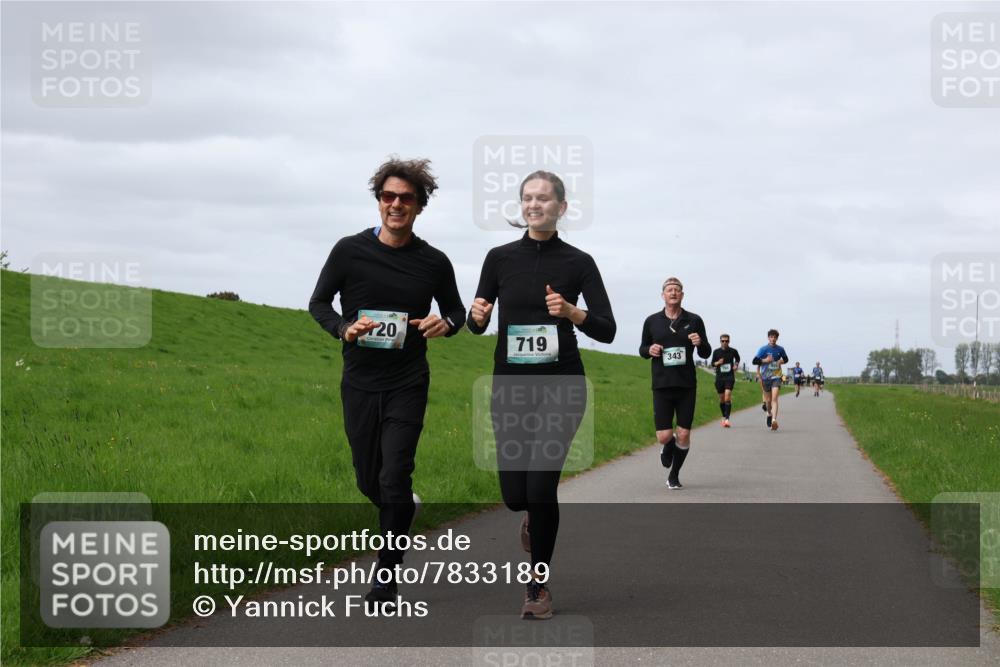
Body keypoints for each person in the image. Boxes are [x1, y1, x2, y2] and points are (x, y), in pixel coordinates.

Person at [309, 157, 466, 608]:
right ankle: (401, 508)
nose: (396, 204)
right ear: (379, 201)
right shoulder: (348, 250)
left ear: (420, 206)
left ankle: (386, 578)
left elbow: (454, 312)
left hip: (408, 380)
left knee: (395, 474)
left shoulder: (433, 261)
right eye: (388, 196)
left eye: (406, 198)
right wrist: (343, 328)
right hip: (359, 381)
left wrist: (446, 325)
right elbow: (318, 302)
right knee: (368, 480)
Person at [468, 170, 615, 620]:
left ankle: (537, 585)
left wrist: (571, 311)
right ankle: (531, 514)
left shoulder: (578, 262)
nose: (535, 205)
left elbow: (608, 330)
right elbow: (476, 322)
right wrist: (477, 315)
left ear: (562, 208)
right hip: (510, 387)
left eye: (544, 199)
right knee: (516, 494)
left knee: (541, 485)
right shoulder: (498, 258)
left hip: (562, 386)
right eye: (528, 198)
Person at [639, 277, 711, 489]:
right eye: (669, 290)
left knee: (684, 433)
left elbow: (706, 351)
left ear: (682, 295)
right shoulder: (652, 321)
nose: (673, 293)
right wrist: (649, 350)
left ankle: (674, 475)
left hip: (686, 385)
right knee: (664, 436)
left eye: (677, 290)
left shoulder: (694, 320)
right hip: (661, 385)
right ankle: (667, 447)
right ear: (663, 295)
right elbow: (642, 349)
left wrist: (700, 343)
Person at [752, 329, 789, 431]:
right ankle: (768, 413)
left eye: (775, 337)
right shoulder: (763, 349)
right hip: (765, 377)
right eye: (771, 337)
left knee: (775, 399)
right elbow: (754, 361)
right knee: (768, 401)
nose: (773, 339)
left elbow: (786, 359)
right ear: (768, 338)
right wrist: (765, 360)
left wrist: (780, 361)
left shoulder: (780, 349)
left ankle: (774, 420)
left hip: (776, 376)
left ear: (777, 338)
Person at [711, 334, 741, 427]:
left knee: (727, 396)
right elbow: (712, 363)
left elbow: (738, 358)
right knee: (722, 399)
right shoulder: (716, 352)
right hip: (719, 378)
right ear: (720, 341)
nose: (724, 342)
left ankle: (727, 419)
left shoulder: (733, 351)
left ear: (729, 341)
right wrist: (718, 362)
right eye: (723, 341)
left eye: (726, 341)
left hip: (729, 377)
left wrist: (736, 365)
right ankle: (724, 416)